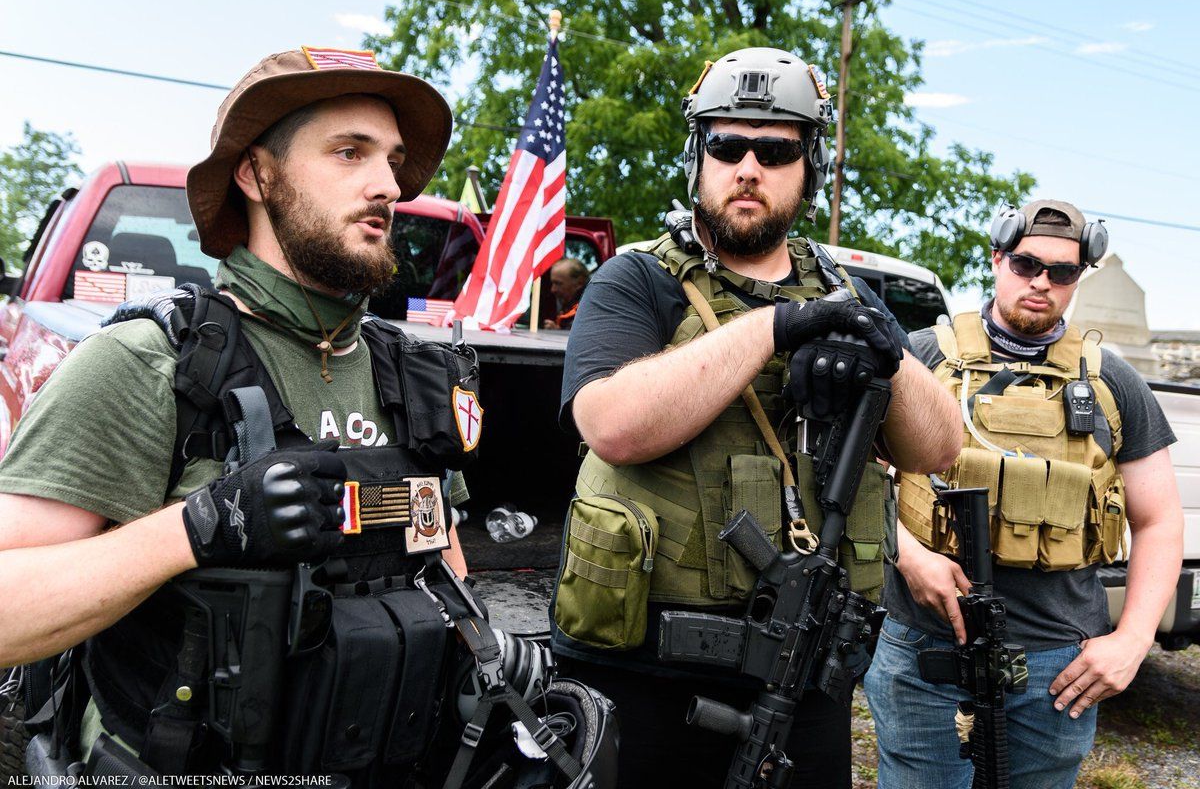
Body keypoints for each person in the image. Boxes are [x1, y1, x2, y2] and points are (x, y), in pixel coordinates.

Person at [0, 47, 615, 787]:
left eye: (389, 159)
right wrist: (197, 528)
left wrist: (505, 692)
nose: (388, 184)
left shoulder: (413, 375)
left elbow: (443, 569)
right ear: (257, 175)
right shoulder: (150, 363)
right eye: (349, 152)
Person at [548, 47, 961, 789]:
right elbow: (610, 423)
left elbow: (939, 447)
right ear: (696, 156)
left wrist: (884, 353)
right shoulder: (637, 278)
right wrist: (777, 329)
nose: (748, 167)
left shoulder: (846, 293)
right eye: (726, 145)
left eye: (776, 151)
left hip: (799, 670)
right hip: (639, 668)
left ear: (812, 168)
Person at [865, 199, 1184, 789]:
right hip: (921, 642)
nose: (1040, 282)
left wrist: (1134, 641)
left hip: (1057, 660)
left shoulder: (1113, 381)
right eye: (1025, 263)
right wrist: (911, 558)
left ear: (1078, 278)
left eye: (1061, 272)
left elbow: (1159, 519)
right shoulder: (921, 355)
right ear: (996, 259)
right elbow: (855, 472)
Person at [542, 257, 589, 329]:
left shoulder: (588, 311)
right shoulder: (563, 304)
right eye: (552, 283)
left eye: (558, 283)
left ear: (579, 283)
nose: (553, 290)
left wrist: (558, 332)